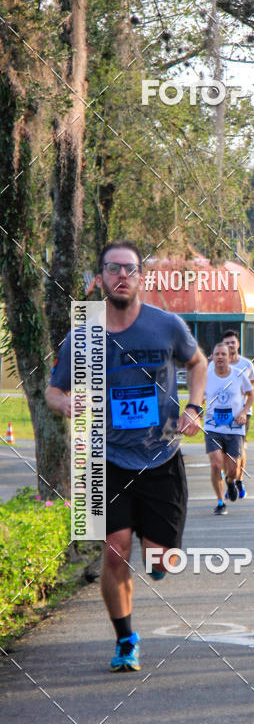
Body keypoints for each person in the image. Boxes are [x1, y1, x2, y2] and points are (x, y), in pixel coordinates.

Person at [46, 240, 206, 672]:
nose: (122, 276)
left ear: (141, 278)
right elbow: (54, 389)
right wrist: (65, 405)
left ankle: (157, 556)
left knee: (161, 559)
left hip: (161, 455)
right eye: (113, 269)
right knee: (115, 550)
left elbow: (197, 362)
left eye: (130, 269)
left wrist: (194, 407)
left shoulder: (166, 325)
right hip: (107, 458)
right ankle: (125, 640)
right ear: (100, 278)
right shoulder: (83, 336)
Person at [204, 342, 254, 515]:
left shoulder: (239, 375)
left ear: (229, 357)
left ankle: (231, 482)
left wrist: (244, 412)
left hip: (234, 428)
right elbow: (198, 398)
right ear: (212, 357)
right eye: (216, 354)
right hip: (212, 426)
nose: (219, 357)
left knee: (233, 469)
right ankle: (220, 502)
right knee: (216, 464)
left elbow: (250, 395)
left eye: (223, 354)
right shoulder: (206, 376)